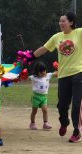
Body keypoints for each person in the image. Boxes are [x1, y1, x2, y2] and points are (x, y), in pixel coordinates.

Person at [33, 11, 82, 143]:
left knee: (77, 104)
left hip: (79, 73)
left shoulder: (79, 33)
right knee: (62, 105)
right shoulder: (56, 37)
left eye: (63, 21)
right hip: (63, 75)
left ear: (71, 22)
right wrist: (30, 56)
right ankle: (64, 122)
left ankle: (77, 132)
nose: (61, 23)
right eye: (60, 21)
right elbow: (44, 48)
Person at [29, 61, 56, 130]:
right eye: (41, 72)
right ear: (36, 72)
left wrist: (58, 68)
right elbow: (24, 78)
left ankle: (45, 123)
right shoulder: (33, 77)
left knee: (45, 110)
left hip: (44, 97)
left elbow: (56, 73)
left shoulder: (48, 75)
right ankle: (32, 123)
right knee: (34, 111)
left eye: (44, 71)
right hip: (36, 97)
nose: (43, 73)